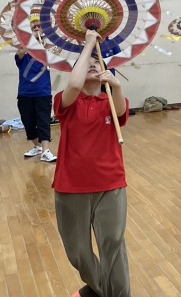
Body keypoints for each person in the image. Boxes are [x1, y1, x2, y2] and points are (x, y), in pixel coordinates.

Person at [52, 30, 131, 297]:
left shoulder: (111, 99)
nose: (94, 66)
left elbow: (120, 111)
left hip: (111, 185)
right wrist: (87, 46)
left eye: (99, 63)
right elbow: (73, 86)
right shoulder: (67, 102)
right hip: (70, 186)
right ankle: (100, 290)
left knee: (114, 245)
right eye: (87, 64)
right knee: (77, 251)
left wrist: (117, 86)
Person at [16, 18, 56, 162]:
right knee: (28, 122)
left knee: (43, 121)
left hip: (43, 94)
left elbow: (54, 44)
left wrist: (44, 32)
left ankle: (46, 150)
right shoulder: (22, 56)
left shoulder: (46, 56)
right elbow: (21, 49)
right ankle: (37, 147)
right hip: (24, 94)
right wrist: (31, 36)